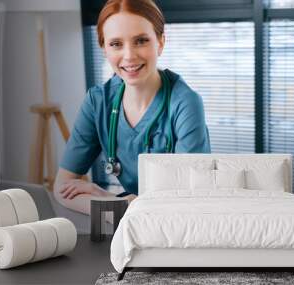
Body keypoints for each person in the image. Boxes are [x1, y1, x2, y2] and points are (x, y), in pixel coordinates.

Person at [53, 0, 211, 215]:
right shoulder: (98, 101)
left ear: (161, 42)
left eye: (141, 41)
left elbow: (186, 202)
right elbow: (63, 188)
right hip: (135, 224)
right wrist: (120, 205)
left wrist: (110, 202)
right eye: (116, 44)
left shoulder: (185, 103)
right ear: (104, 49)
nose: (129, 56)